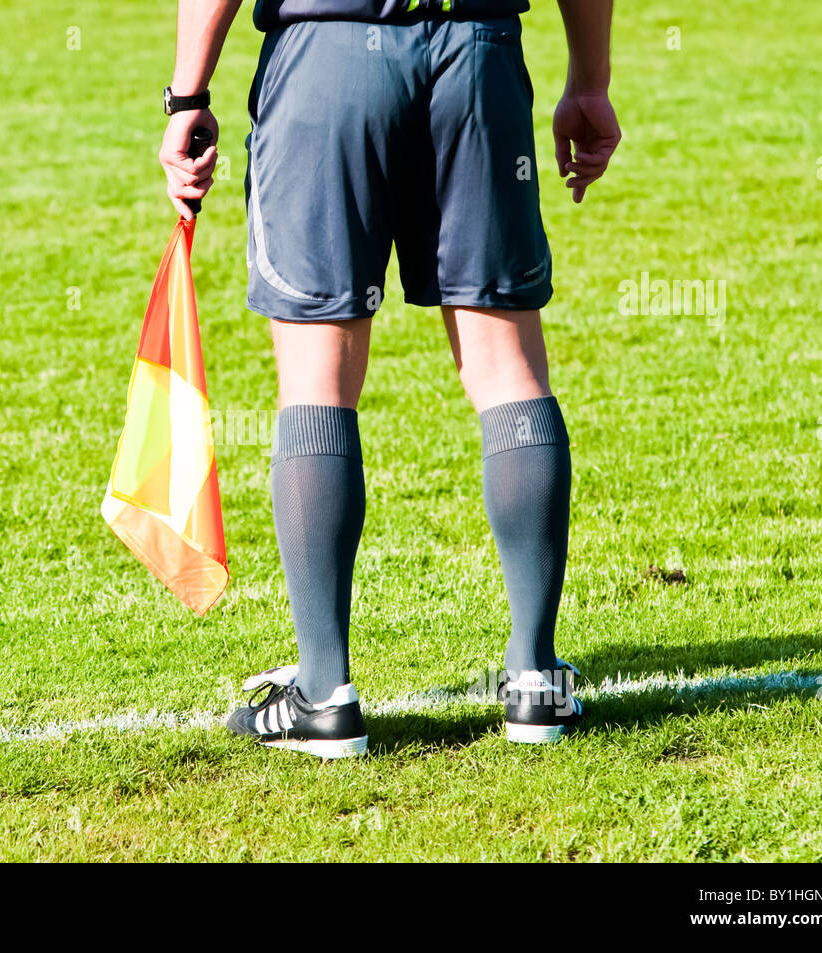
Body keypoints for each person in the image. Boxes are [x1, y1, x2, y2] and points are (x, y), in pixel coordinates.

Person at [159, 0, 621, 757]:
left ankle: (324, 695)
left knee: (316, 382)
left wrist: (188, 94)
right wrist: (589, 80)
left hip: (326, 55)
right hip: (477, 52)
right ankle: (536, 682)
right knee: (508, 368)